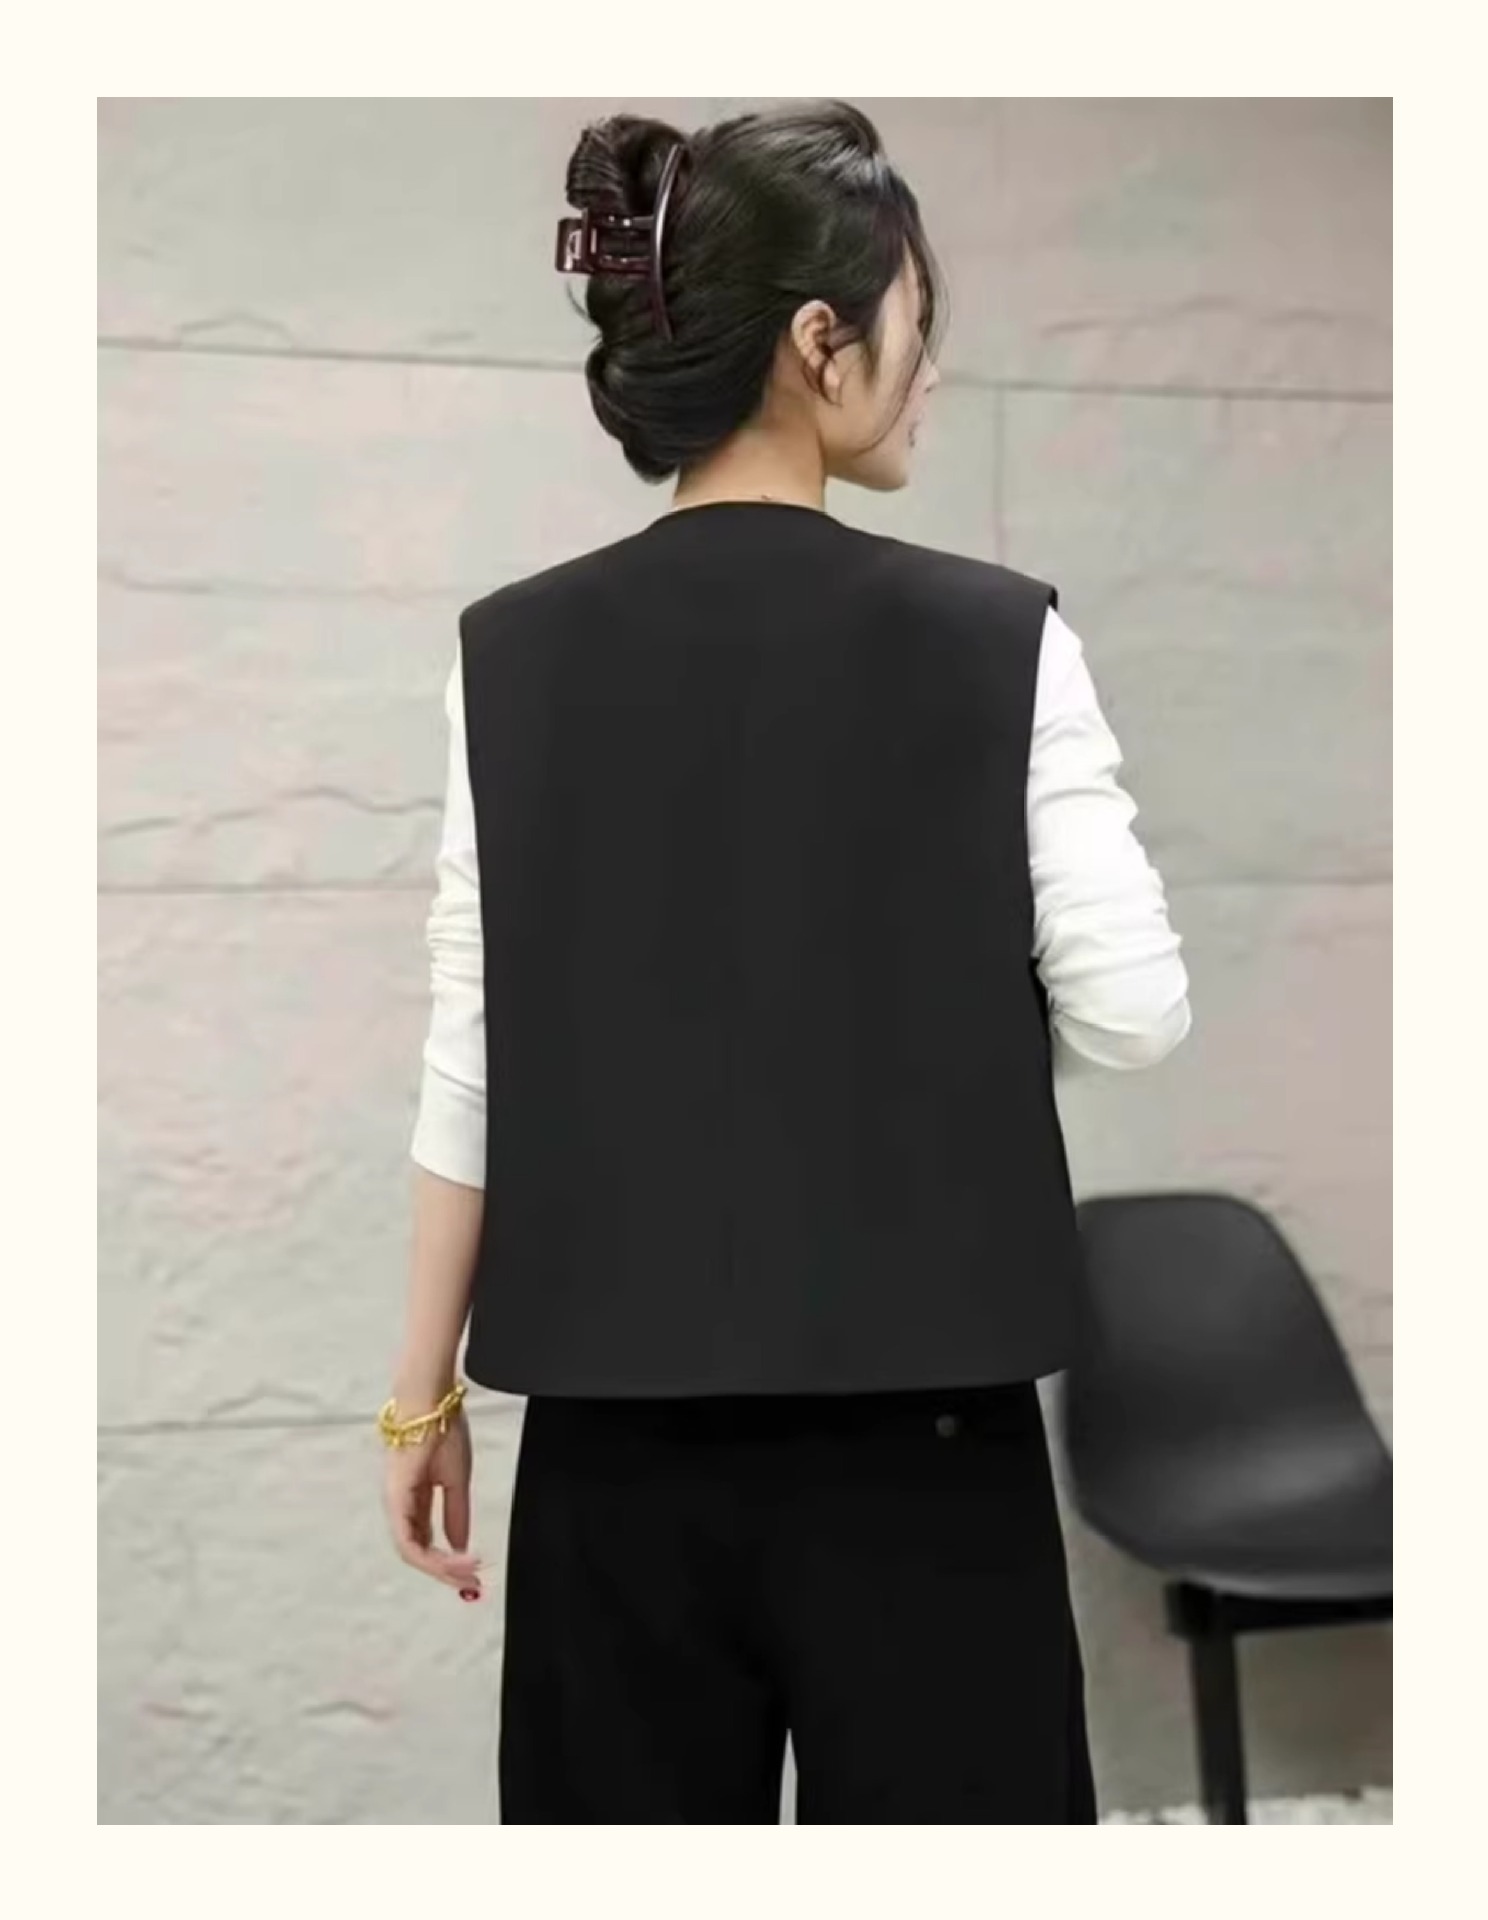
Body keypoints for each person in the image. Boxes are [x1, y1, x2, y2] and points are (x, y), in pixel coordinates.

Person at [379, 101, 1191, 1824]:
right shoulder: (1002, 641)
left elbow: (476, 1055)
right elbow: (1134, 1014)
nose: (928, 371)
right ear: (821, 342)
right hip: (926, 1437)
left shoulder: (507, 654)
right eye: (914, 326)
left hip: (612, 1441)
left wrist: (417, 1395)